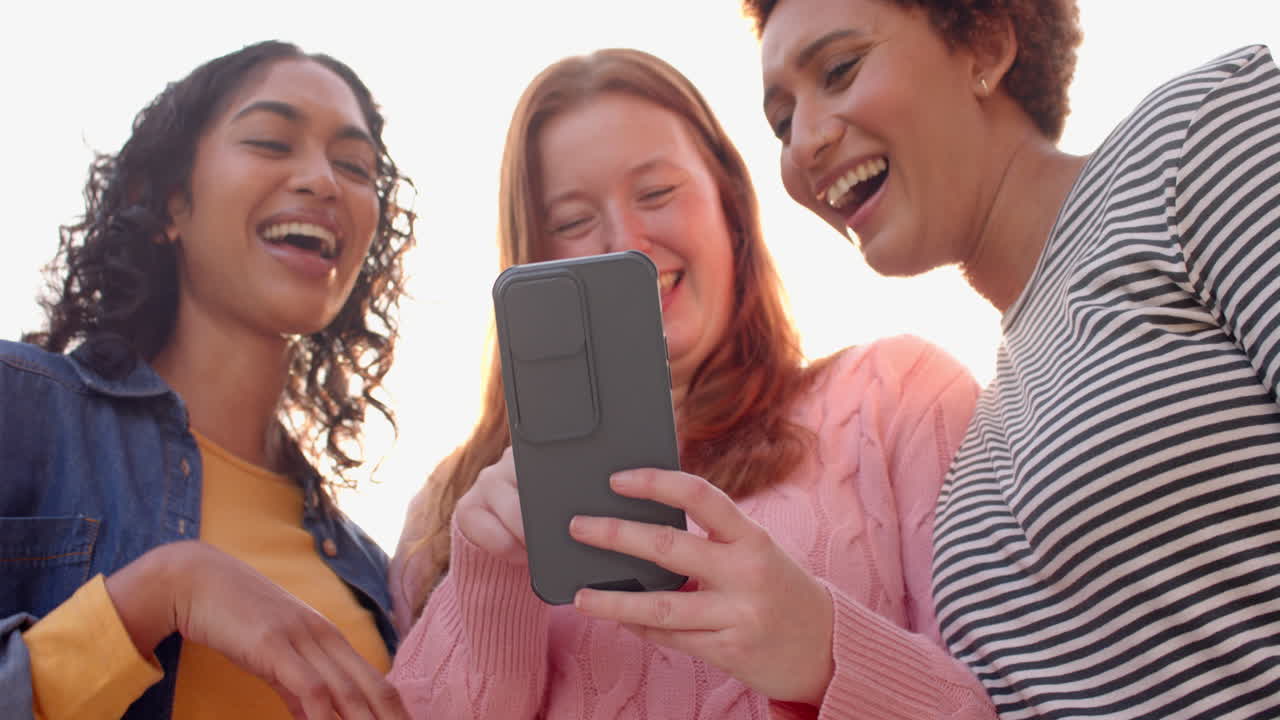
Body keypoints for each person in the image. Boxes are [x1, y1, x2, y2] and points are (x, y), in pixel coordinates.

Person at [388, 47, 990, 718]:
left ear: (730, 208)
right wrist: (490, 584)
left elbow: (1010, 698)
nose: (625, 241)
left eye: (657, 193)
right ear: (534, 259)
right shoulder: (451, 510)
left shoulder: (894, 395)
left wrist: (822, 653)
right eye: (572, 221)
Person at [747, 0, 1280, 716]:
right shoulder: (972, 458)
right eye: (781, 122)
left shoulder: (1197, 140)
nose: (804, 142)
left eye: (840, 70)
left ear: (986, 45)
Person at [1, 40, 415, 720]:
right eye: (270, 142)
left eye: (354, 165)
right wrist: (165, 593)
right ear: (168, 203)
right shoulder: (21, 415)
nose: (323, 180)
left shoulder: (371, 569)